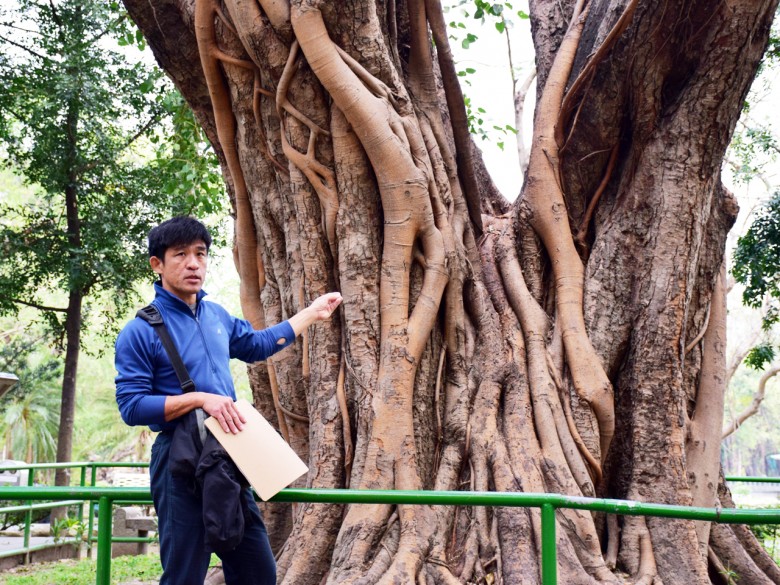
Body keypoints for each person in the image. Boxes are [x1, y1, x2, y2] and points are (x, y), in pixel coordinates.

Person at [115, 216, 342, 585]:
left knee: (257, 571)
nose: (193, 263)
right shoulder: (140, 331)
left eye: (201, 254)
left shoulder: (216, 315)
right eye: (181, 254)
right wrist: (200, 399)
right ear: (157, 264)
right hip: (179, 460)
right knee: (184, 575)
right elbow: (132, 406)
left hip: (227, 456)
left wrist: (311, 314)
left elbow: (257, 345)